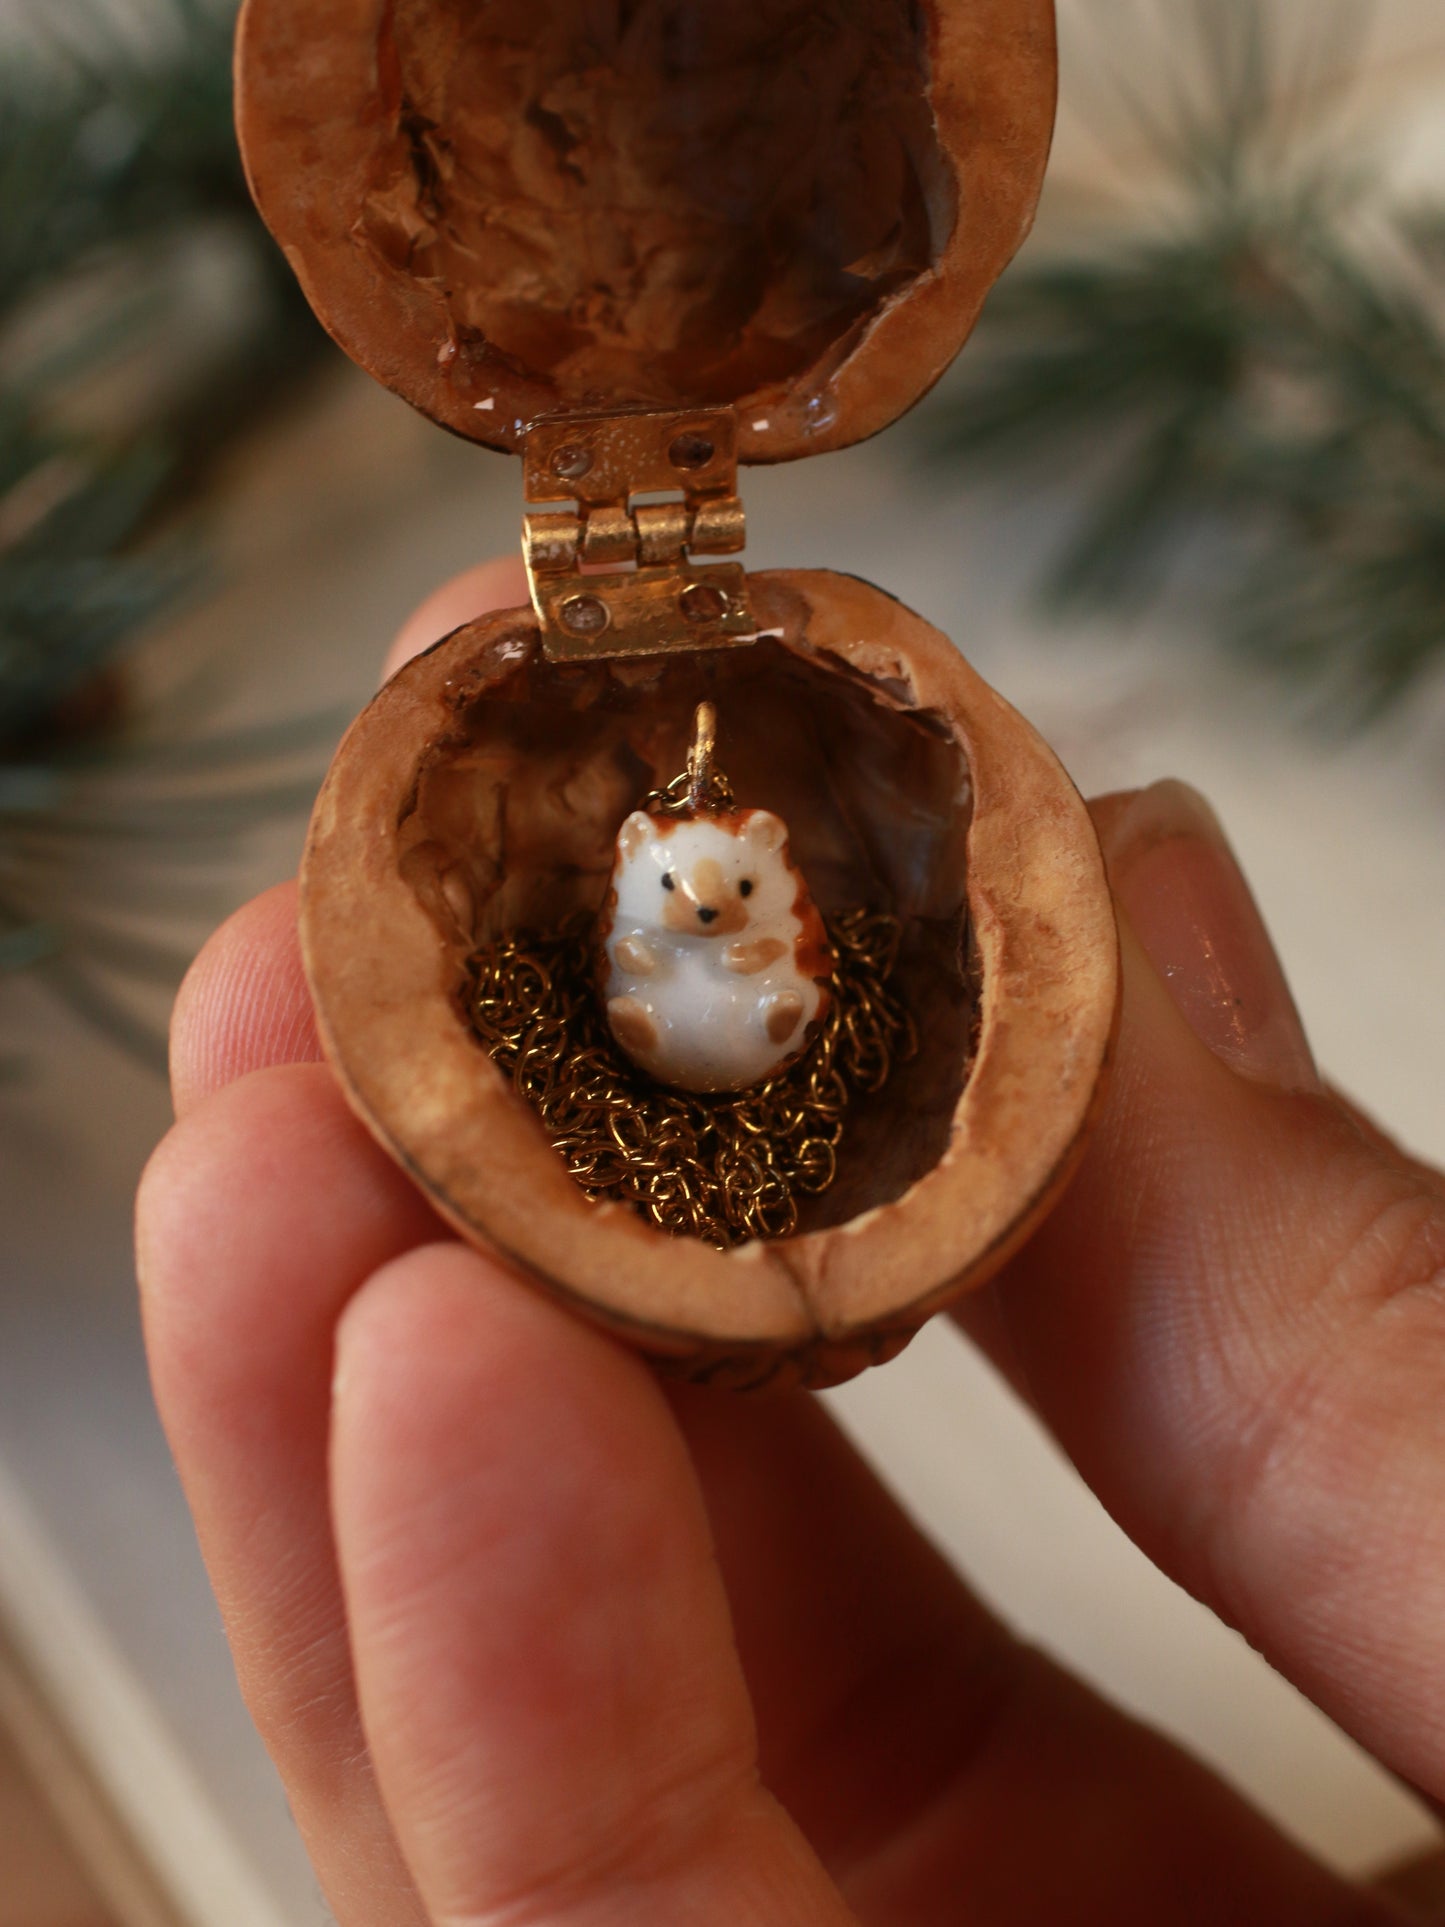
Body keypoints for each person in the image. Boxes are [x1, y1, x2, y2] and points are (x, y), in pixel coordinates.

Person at [136, 558, 1445, 1925]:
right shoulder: (609, 962)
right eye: (682, 901)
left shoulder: (807, 939)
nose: (707, 915)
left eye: (731, 896)